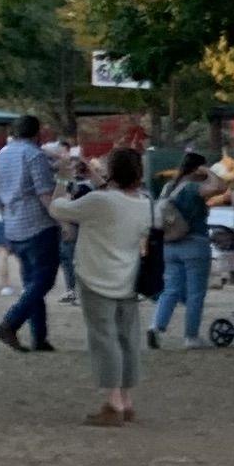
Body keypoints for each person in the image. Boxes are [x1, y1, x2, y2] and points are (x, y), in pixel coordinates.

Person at [65, 144, 151, 421]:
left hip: (96, 275)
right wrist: (96, 177)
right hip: (128, 276)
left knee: (104, 338)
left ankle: (113, 401)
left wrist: (61, 179)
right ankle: (126, 399)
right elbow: (114, 198)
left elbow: (59, 209)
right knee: (127, 337)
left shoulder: (98, 201)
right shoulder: (143, 202)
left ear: (112, 172)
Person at [0, 115, 62, 352]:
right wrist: (62, 219)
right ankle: (11, 322)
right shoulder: (34, 155)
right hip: (38, 224)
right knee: (44, 279)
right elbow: (44, 193)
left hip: (14, 225)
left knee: (32, 281)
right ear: (37, 133)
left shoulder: (3, 155)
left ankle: (39, 337)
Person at [150, 150, 216, 344]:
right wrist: (210, 172)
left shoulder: (169, 187)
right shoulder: (192, 188)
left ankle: (155, 326)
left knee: (170, 290)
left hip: (169, 245)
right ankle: (191, 336)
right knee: (195, 293)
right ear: (197, 169)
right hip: (195, 243)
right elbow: (219, 186)